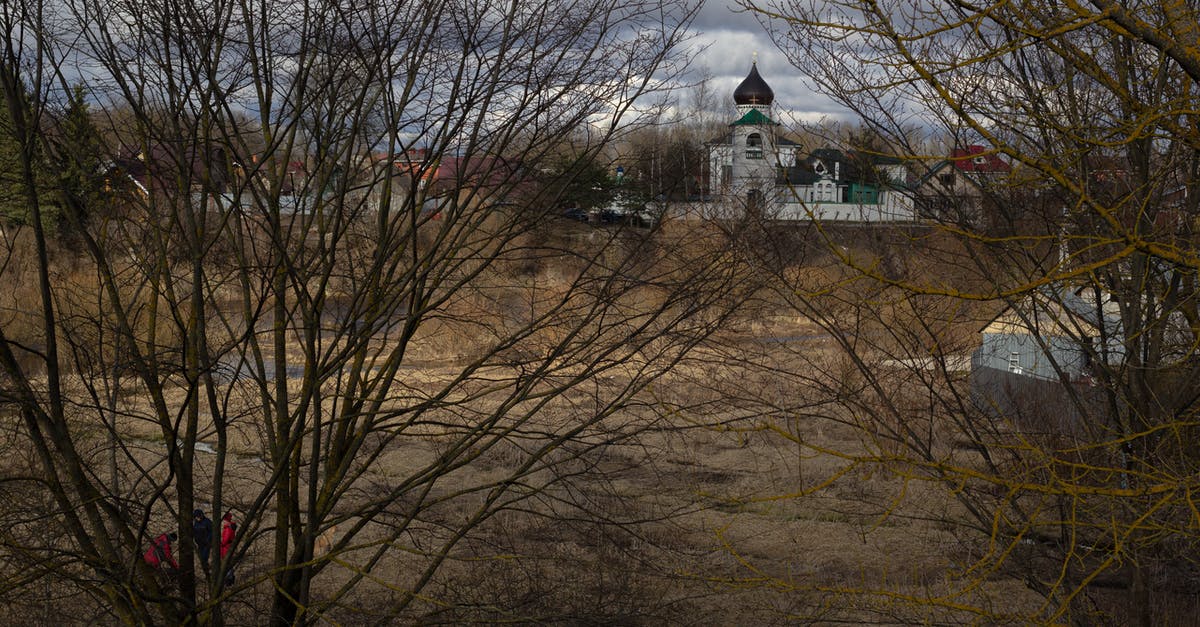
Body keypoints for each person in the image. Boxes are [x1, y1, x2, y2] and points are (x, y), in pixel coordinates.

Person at [192, 509, 213, 579]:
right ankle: (206, 571)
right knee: (201, 559)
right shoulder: (196, 523)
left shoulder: (207, 522)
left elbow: (212, 532)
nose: (197, 518)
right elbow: (194, 532)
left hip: (206, 544)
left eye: (198, 517)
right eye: (195, 517)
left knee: (204, 558)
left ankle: (207, 573)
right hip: (199, 544)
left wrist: (208, 540)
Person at [219, 512, 237, 585]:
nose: (223, 522)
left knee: (227, 564)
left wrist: (220, 543)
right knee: (228, 564)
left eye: (224, 520)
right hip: (228, 548)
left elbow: (225, 540)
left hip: (226, 548)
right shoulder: (230, 527)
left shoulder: (228, 529)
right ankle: (230, 578)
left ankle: (228, 580)